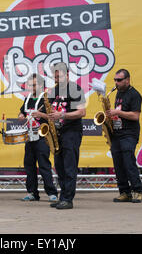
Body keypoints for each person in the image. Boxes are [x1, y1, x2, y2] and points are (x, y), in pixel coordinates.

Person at [47, 63, 86, 210]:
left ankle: (68, 199)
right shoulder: (53, 91)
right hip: (58, 133)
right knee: (60, 167)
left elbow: (82, 112)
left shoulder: (75, 89)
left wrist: (61, 114)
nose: (57, 79)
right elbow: (50, 111)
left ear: (67, 74)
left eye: (60, 76)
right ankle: (62, 196)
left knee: (69, 167)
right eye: (55, 76)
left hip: (72, 132)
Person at [18, 73, 58, 202]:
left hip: (42, 137)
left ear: (41, 85)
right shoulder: (28, 98)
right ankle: (32, 192)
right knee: (29, 165)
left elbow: (53, 116)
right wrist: (21, 116)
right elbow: (22, 111)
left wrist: (41, 114)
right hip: (29, 136)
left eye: (34, 85)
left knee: (44, 165)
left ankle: (52, 193)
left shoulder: (46, 98)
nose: (31, 87)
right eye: (30, 84)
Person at [106, 69, 142, 203]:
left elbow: (135, 115)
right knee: (118, 164)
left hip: (129, 134)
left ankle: (137, 191)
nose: (116, 82)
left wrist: (118, 112)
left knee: (128, 162)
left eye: (119, 80)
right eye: (115, 80)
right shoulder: (118, 93)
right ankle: (124, 192)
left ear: (127, 80)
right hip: (117, 133)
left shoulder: (134, 95)